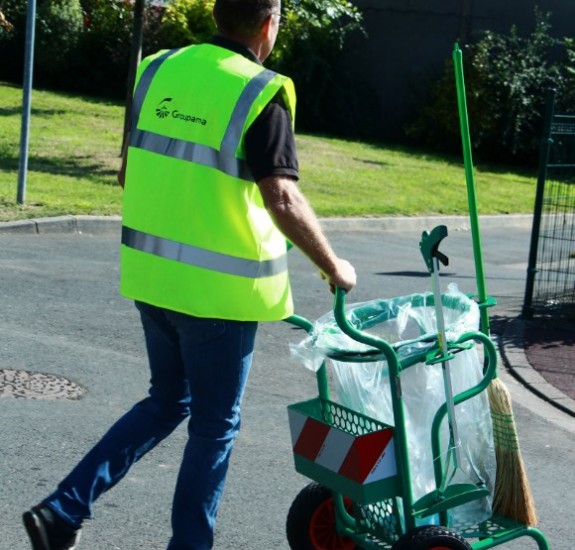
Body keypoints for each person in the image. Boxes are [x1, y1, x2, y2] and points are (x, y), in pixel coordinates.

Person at [22, 0, 356, 548]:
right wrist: (335, 266)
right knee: (213, 425)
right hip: (217, 298)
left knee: (167, 401)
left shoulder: (158, 69)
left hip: (153, 279)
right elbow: (282, 196)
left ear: (219, 14)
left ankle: (62, 511)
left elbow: (131, 168)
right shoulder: (259, 90)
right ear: (269, 24)